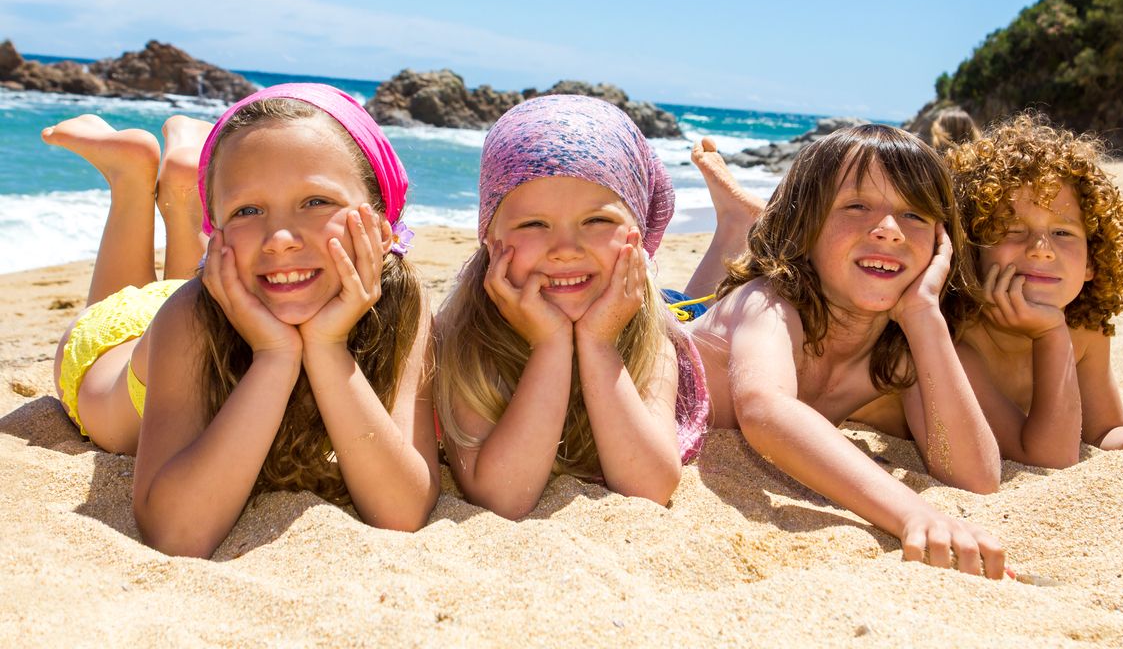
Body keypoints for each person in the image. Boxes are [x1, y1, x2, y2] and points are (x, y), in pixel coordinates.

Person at [43, 83, 440, 556]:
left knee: (233, 274)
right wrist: (275, 357)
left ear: (380, 218)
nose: (280, 238)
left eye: (315, 201)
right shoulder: (189, 318)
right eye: (247, 209)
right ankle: (130, 179)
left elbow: (402, 511)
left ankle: (178, 185)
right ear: (220, 232)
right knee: (147, 297)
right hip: (119, 351)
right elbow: (176, 535)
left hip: (235, 289)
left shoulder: (402, 304)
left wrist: (328, 347)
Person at [689, 123, 1008, 578]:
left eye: (916, 215)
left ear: (942, 243)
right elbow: (766, 411)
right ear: (804, 226)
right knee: (683, 307)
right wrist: (911, 512)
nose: (889, 230)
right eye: (857, 206)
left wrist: (923, 316)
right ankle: (738, 226)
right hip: (674, 324)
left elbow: (976, 478)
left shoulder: (898, 349)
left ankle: (739, 224)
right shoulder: (768, 302)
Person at [433, 95, 712, 519]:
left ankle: (731, 231)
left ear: (637, 233)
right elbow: (503, 498)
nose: (565, 250)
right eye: (533, 224)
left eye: (596, 221)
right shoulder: (465, 336)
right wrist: (551, 345)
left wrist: (599, 343)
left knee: (705, 310)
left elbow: (649, 487)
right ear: (490, 241)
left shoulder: (653, 341)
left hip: (661, 305)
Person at [942, 114, 1123, 486]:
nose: (1041, 249)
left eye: (1062, 232)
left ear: (1092, 261)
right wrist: (1050, 334)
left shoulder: (1086, 332)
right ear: (972, 247)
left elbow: (1103, 428)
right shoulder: (960, 339)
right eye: (1013, 230)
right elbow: (1046, 458)